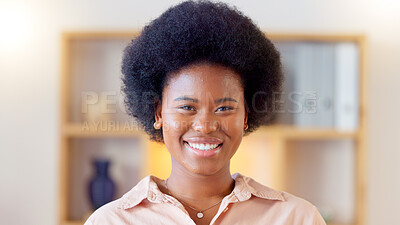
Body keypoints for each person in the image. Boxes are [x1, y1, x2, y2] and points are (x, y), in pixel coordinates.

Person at [85, 0, 326, 224]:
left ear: (246, 115)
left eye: (224, 108)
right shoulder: (111, 221)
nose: (205, 125)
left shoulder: (296, 218)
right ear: (158, 113)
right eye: (187, 107)